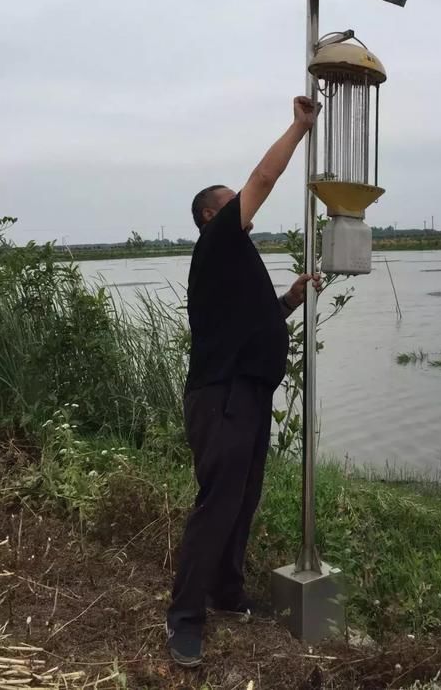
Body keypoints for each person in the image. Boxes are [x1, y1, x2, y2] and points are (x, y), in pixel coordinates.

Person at [167, 96, 321, 667]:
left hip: (250, 392)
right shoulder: (218, 242)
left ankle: (226, 593)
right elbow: (265, 174)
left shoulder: (235, 259)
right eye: (230, 202)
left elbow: (249, 325)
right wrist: (300, 127)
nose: (243, 204)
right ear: (212, 215)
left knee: (243, 500)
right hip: (222, 397)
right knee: (217, 503)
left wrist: (288, 300)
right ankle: (184, 618)